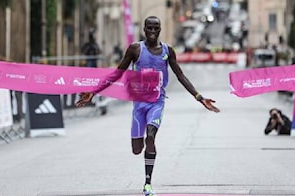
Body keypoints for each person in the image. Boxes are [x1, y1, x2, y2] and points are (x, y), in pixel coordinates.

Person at [76, 16, 220, 196]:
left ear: (160, 30)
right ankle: (144, 154)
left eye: (156, 28)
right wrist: (95, 91)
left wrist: (199, 97)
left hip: (157, 102)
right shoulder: (135, 49)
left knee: (150, 136)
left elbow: (180, 76)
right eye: (149, 28)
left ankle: (148, 184)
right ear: (144, 29)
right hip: (139, 105)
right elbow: (118, 73)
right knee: (137, 149)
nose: (153, 32)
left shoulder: (168, 51)